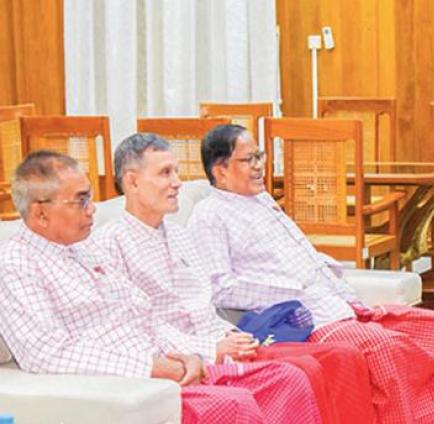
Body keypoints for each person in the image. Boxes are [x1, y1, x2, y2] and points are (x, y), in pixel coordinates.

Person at [0, 151, 321, 424]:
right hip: (130, 380)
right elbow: (47, 352)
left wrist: (195, 354)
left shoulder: (86, 248)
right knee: (235, 405)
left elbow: (145, 315)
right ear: (41, 212)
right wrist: (155, 368)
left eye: (90, 198)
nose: (92, 208)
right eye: (80, 200)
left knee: (285, 379)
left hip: (167, 362)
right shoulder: (19, 263)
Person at [188, 124, 434, 423]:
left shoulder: (261, 200)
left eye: (260, 156)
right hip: (302, 319)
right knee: (387, 349)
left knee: (433, 327)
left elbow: (308, 256)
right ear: (220, 171)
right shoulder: (210, 215)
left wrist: (348, 297)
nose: (260, 165)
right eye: (248, 160)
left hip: (333, 303)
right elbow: (220, 288)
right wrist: (291, 289)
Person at [94, 133, 375, 424]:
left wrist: (228, 335)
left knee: (338, 359)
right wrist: (211, 348)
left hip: (225, 342)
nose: (178, 182)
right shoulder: (110, 245)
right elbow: (137, 325)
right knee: (297, 373)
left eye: (176, 171)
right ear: (132, 182)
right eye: (166, 173)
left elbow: (205, 304)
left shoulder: (179, 235)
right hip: (188, 358)